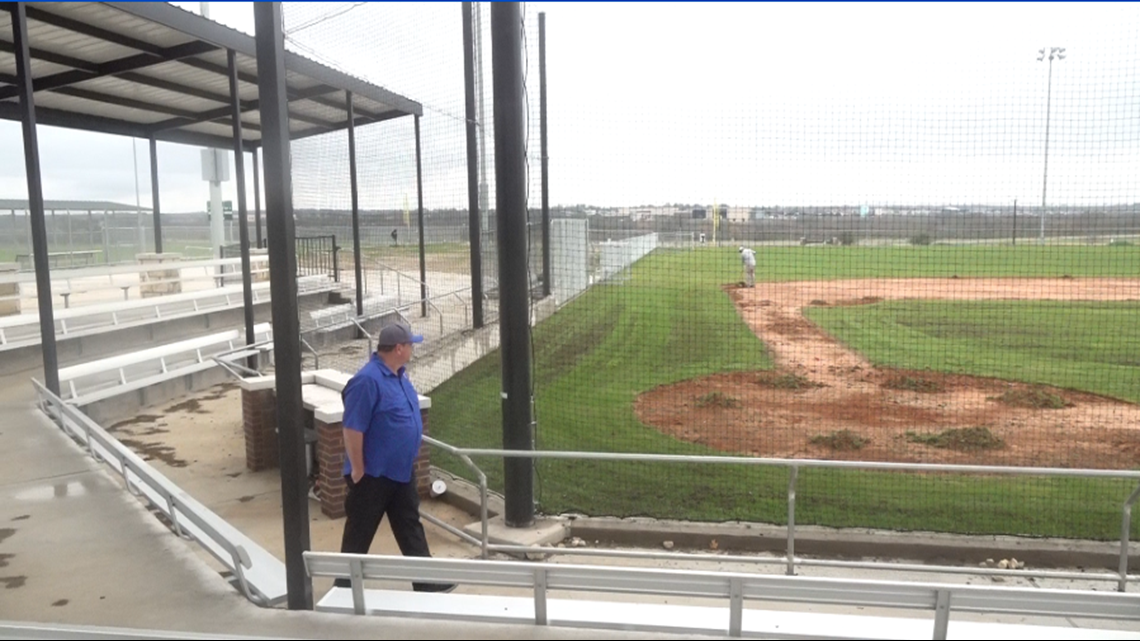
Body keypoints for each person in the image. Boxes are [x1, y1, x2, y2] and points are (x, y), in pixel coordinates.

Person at [335, 322, 455, 593]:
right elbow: (353, 428)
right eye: (411, 345)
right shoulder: (367, 381)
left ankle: (426, 582)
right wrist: (357, 469)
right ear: (399, 348)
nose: (413, 349)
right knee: (359, 533)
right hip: (373, 475)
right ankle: (342, 588)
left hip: (400, 472)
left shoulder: (399, 374)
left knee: (410, 525)